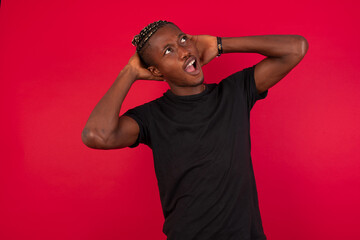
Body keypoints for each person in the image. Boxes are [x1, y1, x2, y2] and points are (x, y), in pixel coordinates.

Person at [81, 20, 308, 240]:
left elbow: (296, 48)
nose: (183, 51)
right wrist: (129, 72)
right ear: (156, 71)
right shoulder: (151, 117)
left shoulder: (233, 93)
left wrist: (219, 45)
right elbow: (97, 135)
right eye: (168, 51)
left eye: (183, 39)